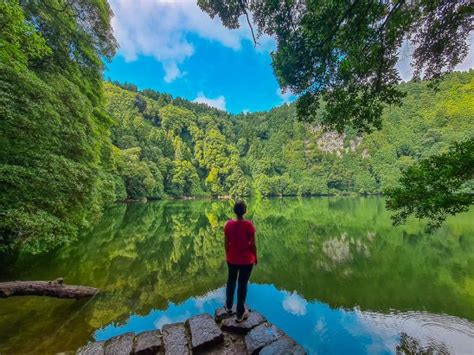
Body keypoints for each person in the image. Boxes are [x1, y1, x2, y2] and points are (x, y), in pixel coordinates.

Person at [224, 200, 257, 322]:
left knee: (231, 281)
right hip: (246, 260)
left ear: (234, 210)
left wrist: (228, 255)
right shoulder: (249, 225)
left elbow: (226, 244)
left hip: (232, 258)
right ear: (245, 211)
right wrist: (256, 256)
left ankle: (228, 307)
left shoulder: (228, 224)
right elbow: (253, 245)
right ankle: (239, 314)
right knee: (242, 284)